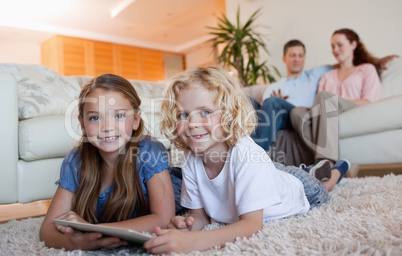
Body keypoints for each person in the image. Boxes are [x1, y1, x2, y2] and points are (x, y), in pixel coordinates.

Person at [143, 66, 348, 254]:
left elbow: (251, 225)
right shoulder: (189, 158)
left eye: (205, 112)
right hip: (270, 175)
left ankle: (338, 169)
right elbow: (201, 216)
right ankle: (309, 170)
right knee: (280, 171)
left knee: (324, 185)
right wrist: (188, 226)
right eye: (183, 115)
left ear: (230, 115)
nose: (192, 123)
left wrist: (194, 242)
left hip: (301, 190)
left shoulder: (246, 155)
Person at [39, 74, 185, 250]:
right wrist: (75, 242)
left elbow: (163, 218)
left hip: (175, 186)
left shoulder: (149, 151)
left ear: (136, 121)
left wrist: (95, 230)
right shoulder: (76, 161)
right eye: (95, 118)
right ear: (83, 124)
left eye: (119, 116)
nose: (107, 127)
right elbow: (46, 230)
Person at [251, 40, 397, 152]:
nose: (297, 59)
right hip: (280, 116)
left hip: (300, 115)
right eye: (292, 55)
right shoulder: (275, 87)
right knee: (251, 101)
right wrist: (277, 103)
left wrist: (375, 61)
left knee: (273, 102)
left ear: (304, 58)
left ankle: (255, 154)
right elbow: (264, 114)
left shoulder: (316, 73)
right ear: (284, 58)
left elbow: (345, 62)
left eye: (300, 55)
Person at [290, 28, 385, 181]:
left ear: (353, 44)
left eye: (339, 45)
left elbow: (371, 100)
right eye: (332, 46)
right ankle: (338, 167)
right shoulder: (328, 75)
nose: (335, 50)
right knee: (296, 112)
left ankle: (325, 161)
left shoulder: (366, 69)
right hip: (327, 112)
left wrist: (334, 102)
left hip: (352, 108)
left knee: (325, 97)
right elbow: (317, 108)